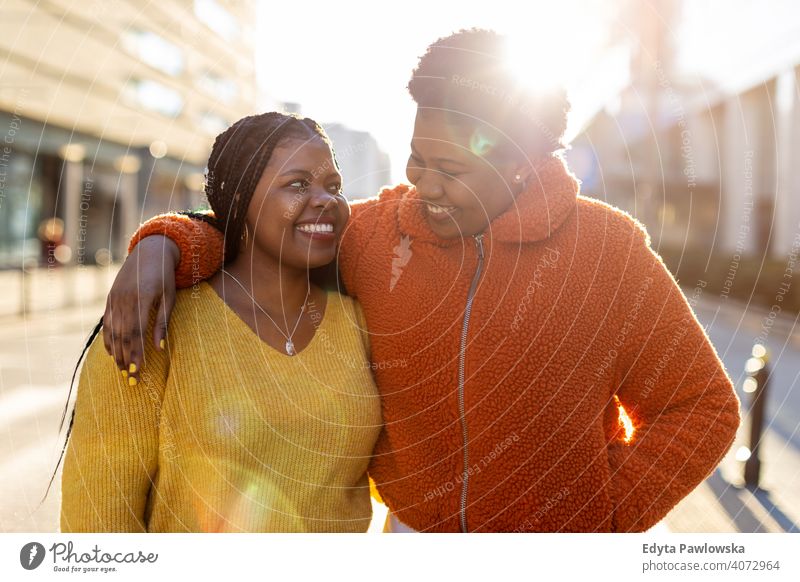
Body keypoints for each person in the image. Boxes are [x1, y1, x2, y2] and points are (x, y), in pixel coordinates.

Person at [102, 29, 740, 532]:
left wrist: (601, 521)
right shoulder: (379, 236)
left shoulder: (609, 253)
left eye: (450, 169)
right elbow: (266, 233)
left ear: (522, 163)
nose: (424, 183)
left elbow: (703, 406)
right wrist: (163, 244)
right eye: (417, 157)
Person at [60, 112, 382, 532]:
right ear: (241, 200)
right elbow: (96, 519)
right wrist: (161, 243)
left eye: (333, 186)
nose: (326, 200)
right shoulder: (152, 324)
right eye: (298, 184)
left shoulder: (357, 320)